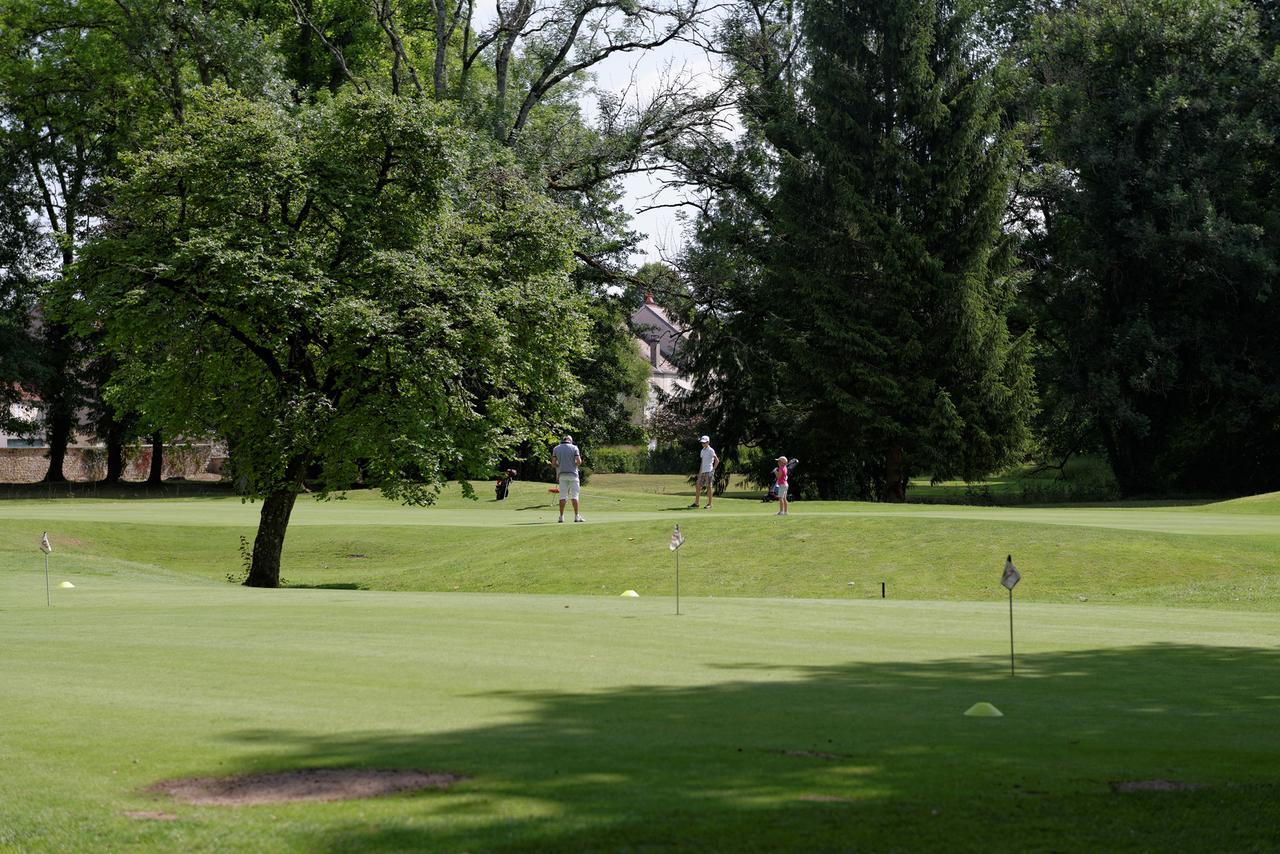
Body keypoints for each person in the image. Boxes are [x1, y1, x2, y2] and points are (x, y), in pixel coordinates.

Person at [551, 434, 584, 523]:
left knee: (562, 496)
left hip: (562, 475)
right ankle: (577, 516)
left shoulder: (556, 448)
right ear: (570, 441)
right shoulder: (574, 448)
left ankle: (561, 517)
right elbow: (579, 461)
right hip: (573, 475)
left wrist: (560, 465)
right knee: (575, 496)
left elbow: (553, 464)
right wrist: (572, 463)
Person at [689, 435, 720, 508]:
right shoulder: (702, 451)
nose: (703, 444)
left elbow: (717, 461)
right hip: (703, 471)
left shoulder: (711, 450)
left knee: (709, 486)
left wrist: (713, 470)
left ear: (708, 442)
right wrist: (699, 473)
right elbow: (702, 463)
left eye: (704, 442)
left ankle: (710, 504)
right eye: (702, 443)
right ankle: (696, 503)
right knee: (698, 486)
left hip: (709, 471)